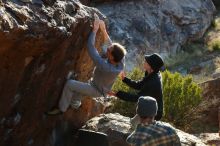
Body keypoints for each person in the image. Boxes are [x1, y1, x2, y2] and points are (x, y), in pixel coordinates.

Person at [46, 15, 126, 115]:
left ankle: (61, 109)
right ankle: (75, 105)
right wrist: (104, 29)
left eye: (109, 51)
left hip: (96, 89)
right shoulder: (121, 58)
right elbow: (110, 44)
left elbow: (91, 47)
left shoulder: (106, 67)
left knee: (70, 84)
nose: (107, 49)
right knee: (79, 93)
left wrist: (95, 30)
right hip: (99, 85)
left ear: (112, 58)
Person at [109, 53, 164, 121]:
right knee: (133, 123)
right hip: (148, 108)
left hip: (154, 114)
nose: (144, 62)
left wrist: (117, 94)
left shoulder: (154, 82)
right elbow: (139, 85)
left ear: (150, 66)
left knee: (134, 125)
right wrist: (124, 79)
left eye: (146, 61)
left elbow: (136, 98)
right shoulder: (152, 73)